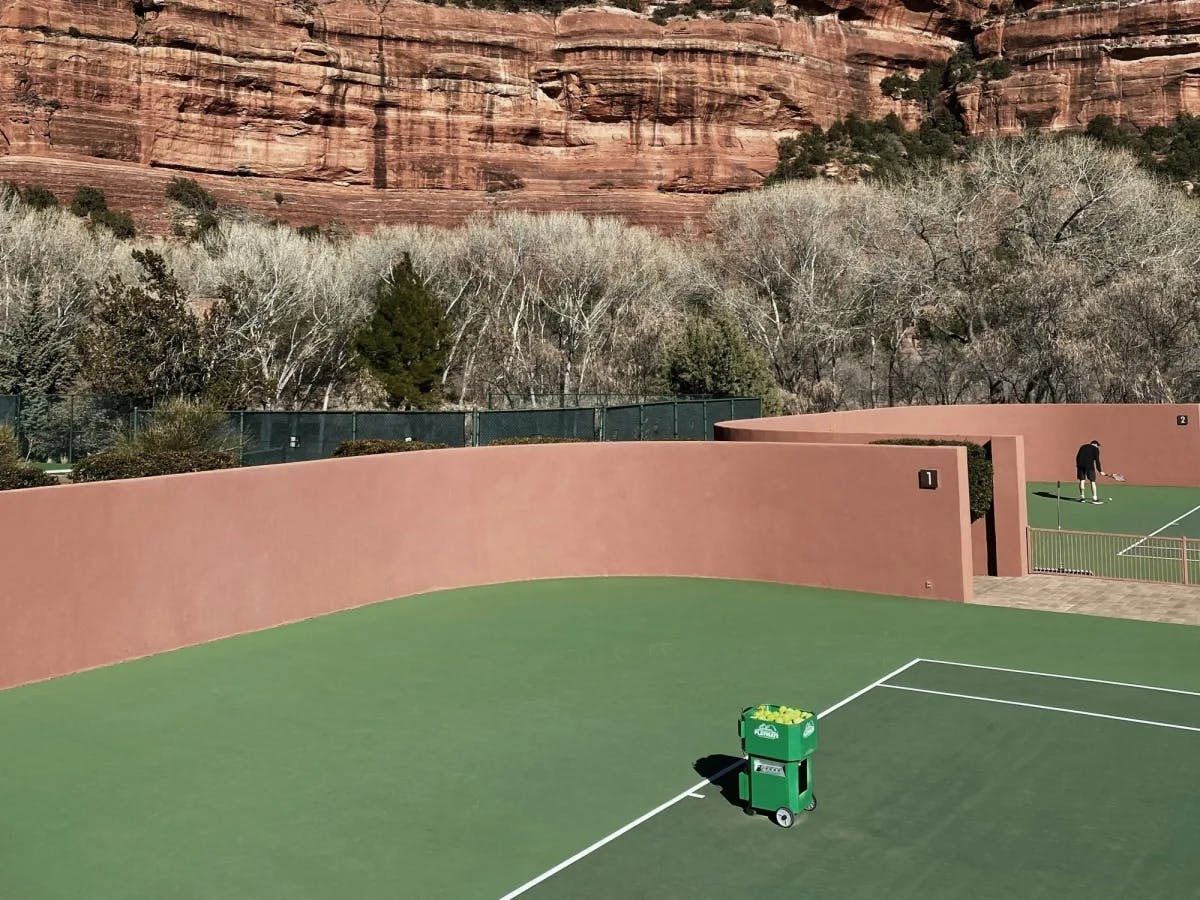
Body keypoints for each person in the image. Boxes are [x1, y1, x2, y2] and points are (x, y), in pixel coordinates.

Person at [1075, 440, 1105, 504]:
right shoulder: (1095, 449)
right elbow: (1097, 460)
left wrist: (1078, 465)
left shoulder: (1082, 447)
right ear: (1095, 444)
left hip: (1080, 466)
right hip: (1089, 467)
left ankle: (1082, 498)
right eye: (1097, 445)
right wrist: (1100, 470)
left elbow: (1077, 457)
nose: (1097, 447)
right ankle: (1094, 499)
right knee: (1092, 481)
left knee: (1082, 480)